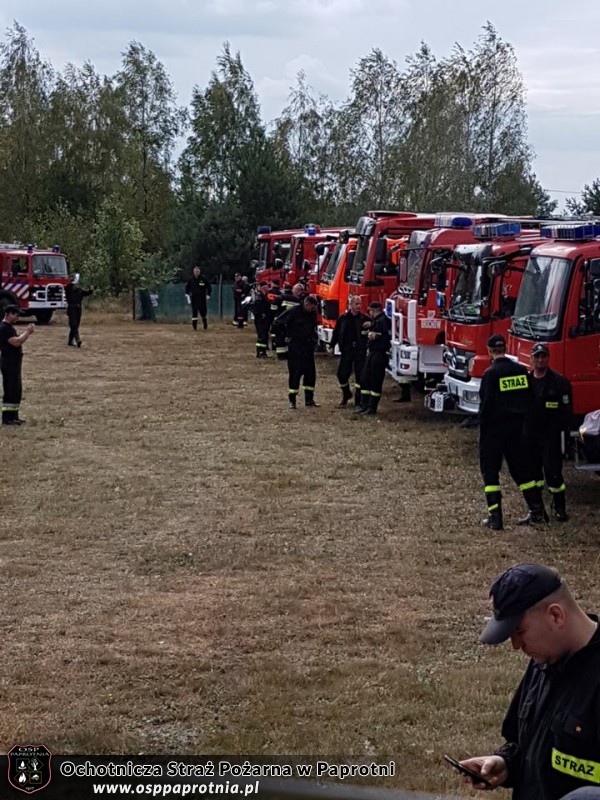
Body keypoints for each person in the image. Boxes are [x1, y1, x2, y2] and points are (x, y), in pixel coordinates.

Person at [458, 563, 600, 800]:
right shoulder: (543, 661)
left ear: (556, 615)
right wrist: (506, 763)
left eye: (519, 631)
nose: (515, 645)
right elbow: (524, 743)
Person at [478, 334, 546, 530]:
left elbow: (486, 407)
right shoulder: (521, 371)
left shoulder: (491, 374)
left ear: (489, 350)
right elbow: (530, 400)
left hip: (494, 432)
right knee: (522, 471)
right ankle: (537, 511)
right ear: (505, 348)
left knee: (490, 473)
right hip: (517, 431)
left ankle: (495, 518)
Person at [524, 343, 573, 522]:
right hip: (530, 436)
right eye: (536, 357)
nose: (540, 360)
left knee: (553, 472)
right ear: (531, 358)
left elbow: (567, 411)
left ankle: (559, 508)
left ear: (548, 358)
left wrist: (562, 433)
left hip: (551, 436)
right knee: (533, 473)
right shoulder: (526, 382)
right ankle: (537, 511)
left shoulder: (560, 382)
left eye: (543, 356)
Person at [272, 294, 319, 409]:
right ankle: (292, 401)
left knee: (310, 374)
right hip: (295, 347)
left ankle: (309, 399)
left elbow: (313, 328)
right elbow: (277, 324)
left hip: (307, 347)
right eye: (312, 307)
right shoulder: (293, 312)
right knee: (295, 373)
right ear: (306, 304)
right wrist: (284, 337)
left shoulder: (312, 314)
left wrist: (314, 340)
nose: (313, 310)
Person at [330, 296, 370, 407]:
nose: (359, 306)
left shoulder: (364, 318)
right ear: (350, 305)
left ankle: (359, 400)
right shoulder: (343, 318)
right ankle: (346, 393)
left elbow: (375, 328)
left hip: (360, 351)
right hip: (347, 350)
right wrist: (332, 345)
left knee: (360, 376)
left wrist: (371, 325)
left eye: (360, 304)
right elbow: (336, 333)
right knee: (342, 374)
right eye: (356, 304)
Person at [0, 305, 35, 426]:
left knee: (16, 390)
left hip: (14, 363)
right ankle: (7, 418)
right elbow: (16, 342)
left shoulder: (8, 327)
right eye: (15, 314)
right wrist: (28, 332)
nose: (17, 317)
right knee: (10, 390)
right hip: (9, 363)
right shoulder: (4, 328)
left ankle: (14, 416)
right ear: (8, 314)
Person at [355, 301, 391, 416]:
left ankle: (372, 407)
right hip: (372, 352)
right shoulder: (376, 321)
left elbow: (387, 336)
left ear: (374, 310)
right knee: (365, 378)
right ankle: (364, 405)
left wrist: (376, 335)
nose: (369, 313)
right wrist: (370, 325)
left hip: (380, 354)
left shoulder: (384, 321)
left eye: (370, 310)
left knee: (376, 380)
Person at [65, 273, 94, 347]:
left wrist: (91, 290)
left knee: (75, 326)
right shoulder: (68, 288)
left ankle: (70, 341)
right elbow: (67, 288)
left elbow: (86, 293)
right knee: (73, 324)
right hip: (72, 309)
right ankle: (78, 339)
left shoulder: (79, 290)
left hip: (78, 309)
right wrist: (72, 284)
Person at [185, 266, 212, 331]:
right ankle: (194, 327)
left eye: (197, 271)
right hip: (194, 299)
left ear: (199, 272)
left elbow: (209, 287)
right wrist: (187, 294)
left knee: (203, 313)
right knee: (194, 313)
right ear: (193, 272)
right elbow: (187, 288)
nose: (196, 272)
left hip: (202, 299)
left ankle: (205, 326)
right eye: (195, 271)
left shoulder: (203, 279)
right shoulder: (191, 280)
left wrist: (208, 294)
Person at [249, 281, 272, 358]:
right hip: (261, 320)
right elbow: (256, 309)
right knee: (262, 336)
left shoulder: (265, 296)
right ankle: (260, 352)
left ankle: (263, 351)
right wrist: (261, 315)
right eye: (265, 287)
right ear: (261, 288)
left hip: (265, 319)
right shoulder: (260, 297)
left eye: (267, 287)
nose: (266, 289)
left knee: (264, 335)